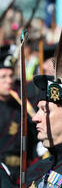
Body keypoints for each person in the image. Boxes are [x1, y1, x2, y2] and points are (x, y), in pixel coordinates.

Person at [0, 52, 38, 181]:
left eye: (11, 76)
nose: (9, 80)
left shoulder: (22, 104)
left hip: (20, 173)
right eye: (3, 77)